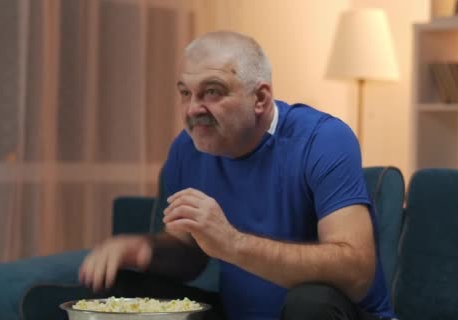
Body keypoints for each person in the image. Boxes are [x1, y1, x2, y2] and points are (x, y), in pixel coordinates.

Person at [78, 30, 396, 320]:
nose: (192, 109)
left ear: (260, 98)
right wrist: (144, 250)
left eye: (212, 92)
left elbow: (355, 271)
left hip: (336, 314)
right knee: (118, 293)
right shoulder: (187, 150)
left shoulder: (322, 139)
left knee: (310, 303)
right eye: (185, 93)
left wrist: (232, 243)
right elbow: (190, 256)